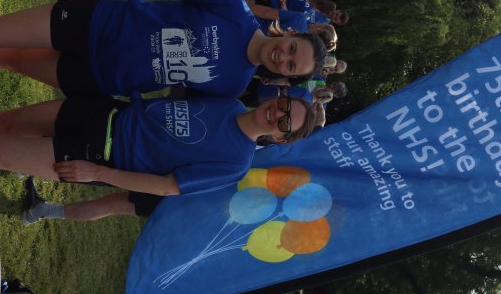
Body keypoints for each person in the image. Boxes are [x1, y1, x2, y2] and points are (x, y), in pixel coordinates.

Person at [0, 0, 326, 99]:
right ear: (291, 33)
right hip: (99, 23)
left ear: (286, 75)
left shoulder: (233, 86)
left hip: (101, 79)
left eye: (291, 66)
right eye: (291, 48)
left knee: (8, 59)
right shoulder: (234, 8)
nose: (282, 57)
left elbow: (178, 100)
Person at [18, 95, 315, 224]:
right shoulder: (232, 101)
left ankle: (44, 210)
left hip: (169, 185)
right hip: (123, 128)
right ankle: (28, 159)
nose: (278, 113)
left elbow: (167, 187)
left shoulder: (238, 162)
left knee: (114, 204)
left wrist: (98, 171)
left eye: (285, 122)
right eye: (285, 105)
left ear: (281, 138)